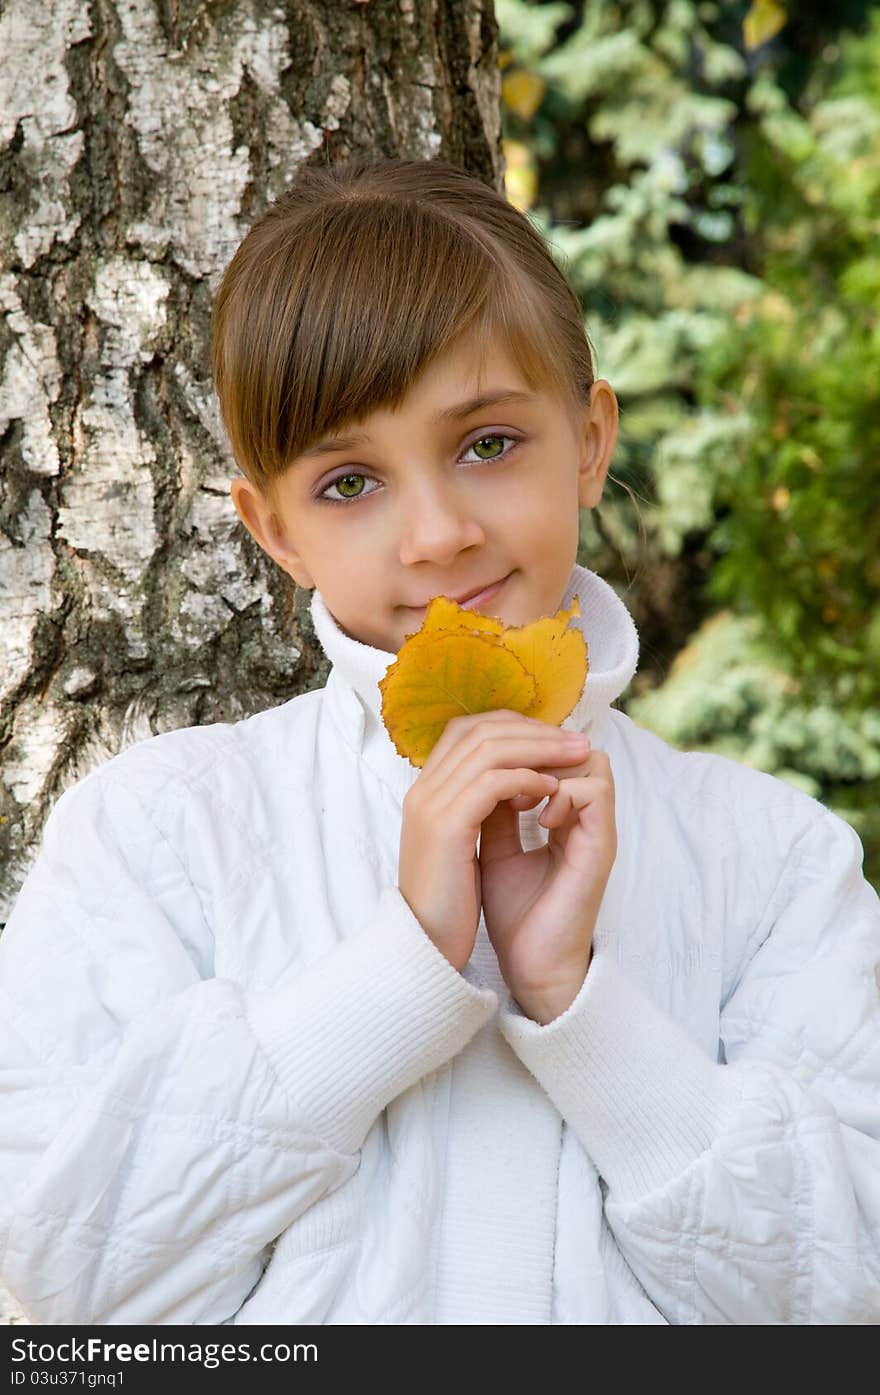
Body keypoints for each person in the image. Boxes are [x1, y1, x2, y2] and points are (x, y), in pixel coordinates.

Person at [1, 156, 878, 1327]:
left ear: (588, 439)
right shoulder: (161, 831)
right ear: (274, 531)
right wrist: (402, 965)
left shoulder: (766, 857)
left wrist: (574, 1004)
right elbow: (57, 1289)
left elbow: (846, 1290)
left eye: (487, 445)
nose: (437, 535)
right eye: (351, 481)